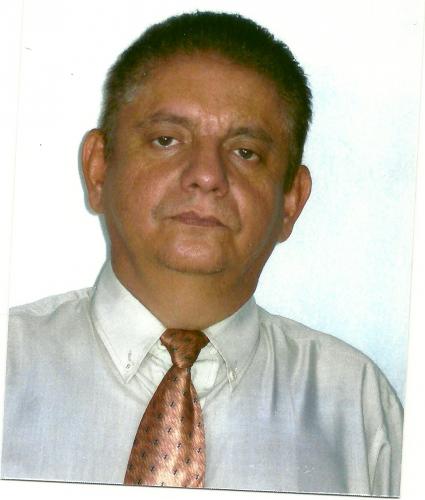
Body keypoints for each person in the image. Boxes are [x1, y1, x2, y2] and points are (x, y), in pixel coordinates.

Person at [1, 11, 403, 496]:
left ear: (291, 201)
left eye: (245, 152)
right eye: (166, 140)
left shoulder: (359, 409)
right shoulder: (11, 364)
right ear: (99, 169)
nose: (207, 175)